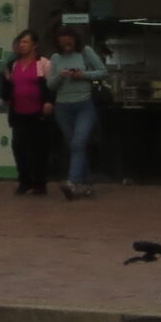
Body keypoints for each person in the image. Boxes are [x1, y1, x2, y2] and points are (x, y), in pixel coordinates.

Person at [45, 25, 109, 200]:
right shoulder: (56, 58)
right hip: (63, 107)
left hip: (84, 105)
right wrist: (61, 75)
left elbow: (103, 72)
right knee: (74, 145)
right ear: (58, 43)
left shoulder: (86, 52)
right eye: (63, 42)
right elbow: (50, 85)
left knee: (78, 143)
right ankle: (86, 183)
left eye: (70, 41)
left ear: (75, 40)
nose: (67, 44)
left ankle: (72, 183)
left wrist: (83, 75)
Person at [0, 30, 56, 196]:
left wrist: (49, 102)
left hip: (38, 113)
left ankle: (39, 184)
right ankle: (24, 181)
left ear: (34, 45)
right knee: (19, 147)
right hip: (19, 112)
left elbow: (52, 85)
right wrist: (5, 82)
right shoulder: (13, 64)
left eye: (26, 42)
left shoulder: (43, 63)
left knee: (39, 149)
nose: (22, 45)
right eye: (20, 42)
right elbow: (6, 91)